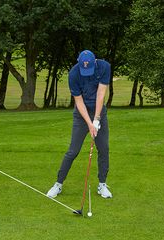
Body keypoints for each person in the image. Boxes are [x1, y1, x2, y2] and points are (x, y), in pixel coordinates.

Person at [46, 50, 112, 199]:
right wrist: (89, 123)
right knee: (73, 151)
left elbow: (101, 94)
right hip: (81, 115)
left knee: (104, 149)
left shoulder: (104, 67)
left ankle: (102, 185)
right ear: (78, 62)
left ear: (95, 62)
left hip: (99, 111)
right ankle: (58, 184)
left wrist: (96, 118)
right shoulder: (74, 74)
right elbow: (79, 101)